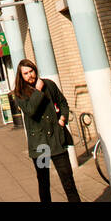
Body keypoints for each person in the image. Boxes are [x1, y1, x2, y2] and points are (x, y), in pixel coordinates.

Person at [12, 58, 81, 203]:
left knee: (68, 181)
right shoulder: (19, 93)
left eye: (31, 71)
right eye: (26, 73)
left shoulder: (49, 84)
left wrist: (62, 119)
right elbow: (30, 110)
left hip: (56, 140)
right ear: (21, 76)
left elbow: (63, 103)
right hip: (40, 145)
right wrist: (37, 90)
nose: (30, 75)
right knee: (44, 184)